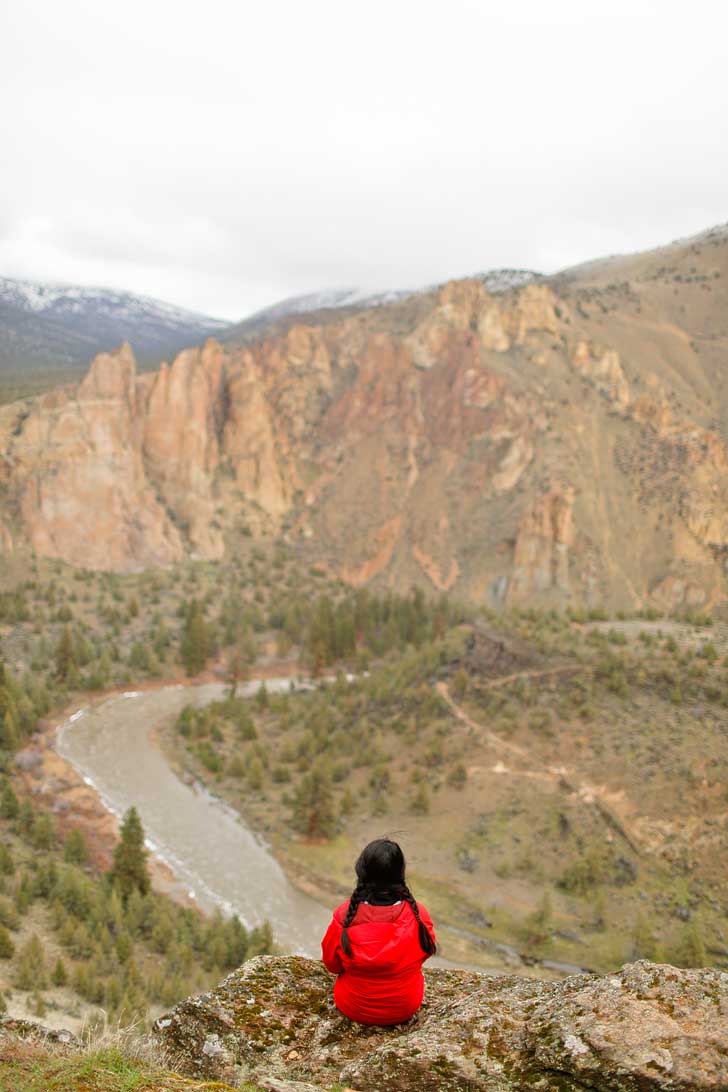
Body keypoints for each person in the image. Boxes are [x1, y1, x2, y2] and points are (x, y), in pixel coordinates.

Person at [321, 838, 437, 1026]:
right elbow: (426, 951)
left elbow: (332, 965)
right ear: (400, 874)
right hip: (405, 1007)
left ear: (361, 872)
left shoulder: (344, 916)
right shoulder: (418, 915)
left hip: (353, 1006)